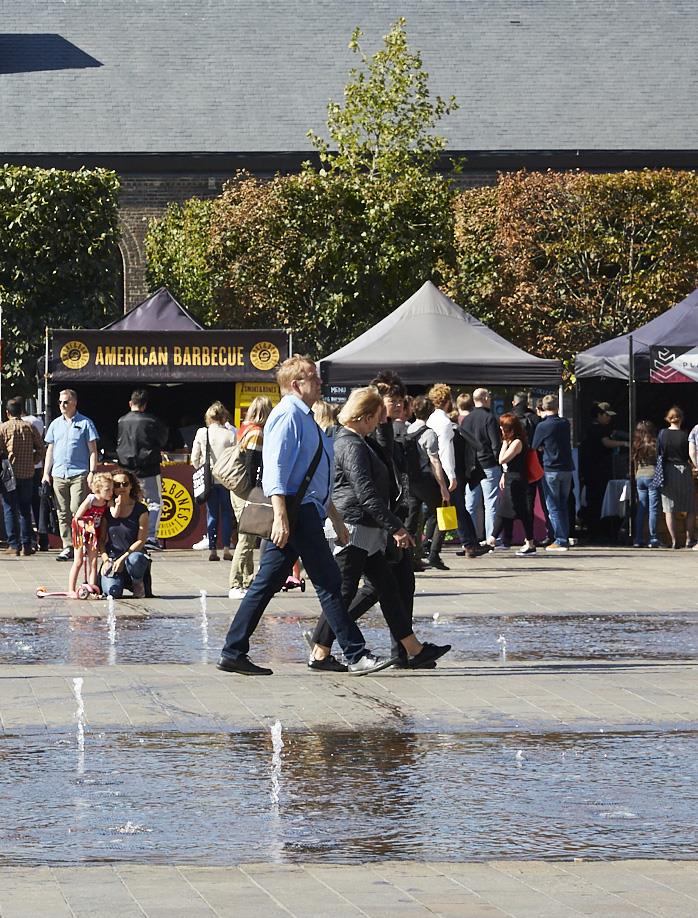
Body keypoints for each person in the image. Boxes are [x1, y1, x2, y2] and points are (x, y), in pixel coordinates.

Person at [218, 355, 392, 677]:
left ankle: (233, 650)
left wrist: (335, 518)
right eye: (314, 376)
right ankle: (355, 654)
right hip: (297, 516)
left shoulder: (305, 417)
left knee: (266, 584)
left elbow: (313, 477)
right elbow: (276, 470)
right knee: (329, 582)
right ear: (297, 383)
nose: (320, 382)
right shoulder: (287, 416)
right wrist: (282, 516)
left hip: (306, 512)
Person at [306, 387, 450, 671]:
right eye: (377, 418)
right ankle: (320, 652)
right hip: (354, 528)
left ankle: (414, 649)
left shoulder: (354, 440)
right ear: (366, 416)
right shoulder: (352, 444)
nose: (378, 424)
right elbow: (366, 493)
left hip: (366, 531)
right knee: (343, 593)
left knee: (388, 589)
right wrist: (396, 527)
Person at [42, 389, 99, 562]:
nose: (62, 405)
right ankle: (67, 545)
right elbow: (50, 450)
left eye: (65, 402)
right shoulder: (55, 424)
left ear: (74, 403)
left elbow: (93, 450)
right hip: (59, 473)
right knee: (62, 512)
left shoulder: (85, 423)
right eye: (60, 402)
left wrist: (92, 472)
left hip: (78, 473)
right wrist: (46, 473)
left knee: (77, 509)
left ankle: (80, 544)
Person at [228, 396, 273, 598]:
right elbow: (252, 466)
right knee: (246, 538)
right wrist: (257, 494)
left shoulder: (245, 428)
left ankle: (247, 580)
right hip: (247, 490)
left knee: (247, 534)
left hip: (237, 489)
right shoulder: (257, 433)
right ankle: (235, 584)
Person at [116, 388, 169, 551]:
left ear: (130, 403)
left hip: (126, 468)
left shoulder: (121, 421)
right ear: (145, 405)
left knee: (129, 501)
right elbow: (163, 439)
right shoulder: (152, 421)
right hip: (148, 468)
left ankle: (131, 535)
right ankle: (151, 537)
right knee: (154, 502)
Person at [405, 396, 451, 570]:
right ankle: (434, 553)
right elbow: (435, 462)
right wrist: (443, 486)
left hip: (411, 480)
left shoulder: (408, 430)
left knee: (412, 519)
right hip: (426, 480)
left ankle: (408, 556)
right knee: (442, 513)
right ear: (431, 412)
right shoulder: (429, 433)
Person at [0, 397, 45, 556]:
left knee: (10, 509)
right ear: (21, 411)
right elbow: (41, 448)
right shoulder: (30, 427)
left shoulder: (3, 428)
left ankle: (14, 544)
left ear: (7, 413)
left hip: (8, 476)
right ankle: (27, 544)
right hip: (27, 473)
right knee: (25, 509)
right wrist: (33, 461)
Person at [191, 402, 236, 561]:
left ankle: (212, 549)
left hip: (209, 479)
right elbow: (236, 458)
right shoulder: (231, 434)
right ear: (224, 416)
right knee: (226, 514)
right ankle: (226, 548)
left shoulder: (203, 433)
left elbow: (194, 458)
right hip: (226, 479)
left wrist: (202, 470)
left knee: (212, 515)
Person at [579, 401, 628, 543]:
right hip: (596, 472)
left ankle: (595, 530)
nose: (609, 419)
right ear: (599, 415)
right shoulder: (597, 429)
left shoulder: (595, 429)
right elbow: (606, 442)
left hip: (593, 471)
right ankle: (595, 531)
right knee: (596, 501)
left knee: (595, 500)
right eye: (607, 415)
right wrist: (624, 443)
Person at [488, 413, 536, 556]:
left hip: (517, 481)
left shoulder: (517, 443)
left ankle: (492, 539)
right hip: (510, 478)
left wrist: (503, 442)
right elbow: (507, 465)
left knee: (507, 510)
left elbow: (502, 459)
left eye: (504, 428)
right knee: (517, 511)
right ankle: (529, 542)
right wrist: (504, 475)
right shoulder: (512, 442)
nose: (501, 430)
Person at [531, 395, 574, 551]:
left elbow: (534, 445)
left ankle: (560, 540)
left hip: (550, 468)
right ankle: (564, 537)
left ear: (543, 407)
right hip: (567, 468)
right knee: (563, 504)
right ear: (557, 407)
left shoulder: (543, 426)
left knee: (553, 506)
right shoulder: (565, 423)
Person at [99, 469, 150, 598]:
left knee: (136, 559)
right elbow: (101, 540)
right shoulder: (107, 510)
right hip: (113, 560)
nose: (121, 487)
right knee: (112, 593)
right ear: (112, 488)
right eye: (117, 485)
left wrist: (123, 558)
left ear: (131, 485)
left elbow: (141, 541)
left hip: (132, 559)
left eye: (125, 484)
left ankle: (137, 583)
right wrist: (106, 560)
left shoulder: (141, 509)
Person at [460, 387, 502, 542]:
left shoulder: (466, 419)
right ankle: (491, 539)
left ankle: (470, 538)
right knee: (490, 503)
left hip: (471, 465)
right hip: (488, 464)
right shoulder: (489, 418)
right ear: (484, 398)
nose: (490, 400)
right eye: (489, 397)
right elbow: (495, 443)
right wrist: (499, 461)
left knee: (470, 503)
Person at [68, 472, 113, 595]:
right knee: (78, 561)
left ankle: (93, 589)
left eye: (112, 489)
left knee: (93, 562)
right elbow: (77, 517)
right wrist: (87, 527)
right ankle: (71, 589)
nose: (111, 492)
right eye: (107, 489)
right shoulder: (90, 499)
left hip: (94, 533)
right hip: (81, 531)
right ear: (98, 489)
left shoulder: (106, 502)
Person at [658, 406, 695, 549]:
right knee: (690, 507)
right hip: (684, 470)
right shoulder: (685, 435)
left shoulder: (662, 434)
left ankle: (674, 541)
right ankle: (689, 539)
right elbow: (690, 455)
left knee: (669, 508)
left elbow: (659, 453)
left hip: (668, 470)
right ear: (681, 418)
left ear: (668, 418)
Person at [21, 402, 48, 551]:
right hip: (36, 468)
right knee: (38, 504)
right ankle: (43, 539)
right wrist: (36, 460)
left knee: (23, 506)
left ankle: (30, 540)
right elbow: (41, 447)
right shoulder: (37, 422)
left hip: (20, 470)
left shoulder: (17, 424)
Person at [632, 420, 661, 549]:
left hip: (640, 476)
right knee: (653, 509)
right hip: (652, 475)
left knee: (641, 508)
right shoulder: (654, 443)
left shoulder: (636, 444)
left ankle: (638, 538)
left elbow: (634, 462)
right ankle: (653, 538)